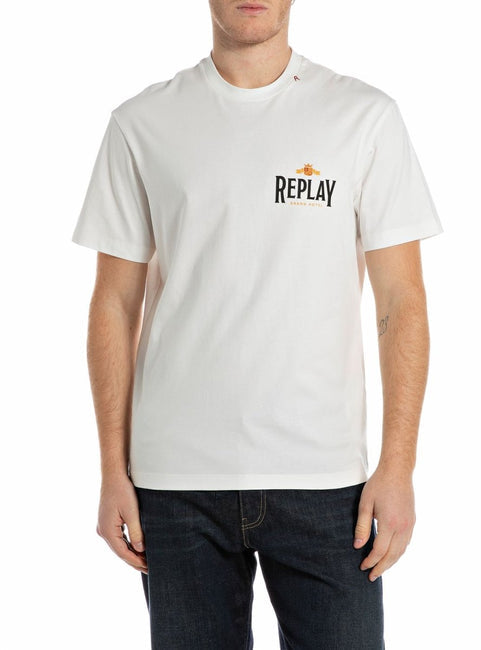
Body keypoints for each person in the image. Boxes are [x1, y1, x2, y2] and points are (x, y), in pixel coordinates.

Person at [71, 1, 443, 648]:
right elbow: (114, 303)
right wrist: (111, 470)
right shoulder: (142, 122)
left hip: (328, 483)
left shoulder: (363, 116)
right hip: (176, 484)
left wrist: (398, 467)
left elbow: (400, 302)